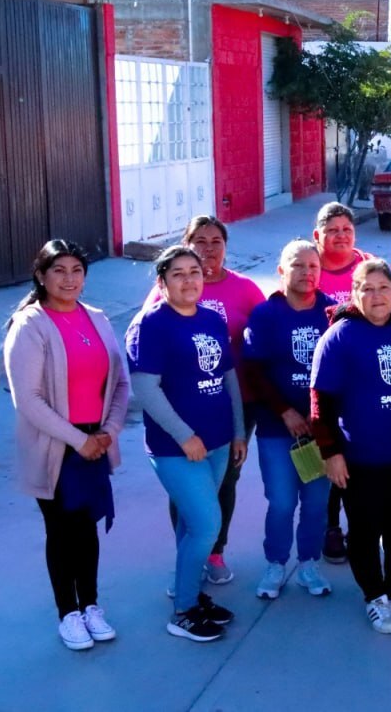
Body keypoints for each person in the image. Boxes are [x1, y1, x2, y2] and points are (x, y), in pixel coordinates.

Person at [4, 240, 132, 651]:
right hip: (56, 445)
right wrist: (79, 440)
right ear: (41, 275)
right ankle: (68, 613)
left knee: (87, 526)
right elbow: (28, 400)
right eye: (59, 270)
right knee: (62, 530)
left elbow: (120, 383)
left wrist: (108, 431)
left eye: (77, 269)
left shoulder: (96, 318)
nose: (69, 279)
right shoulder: (30, 325)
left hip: (95, 440)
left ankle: (91, 605)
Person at [126, 246, 245, 642]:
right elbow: (146, 388)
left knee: (192, 525)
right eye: (177, 274)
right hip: (175, 448)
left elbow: (228, 378)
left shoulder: (211, 319)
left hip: (218, 441)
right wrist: (184, 436)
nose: (189, 280)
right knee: (207, 523)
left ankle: (186, 589)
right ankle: (183, 613)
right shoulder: (152, 325)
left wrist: (239, 431)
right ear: (162, 283)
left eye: (194, 271)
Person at [143, 215, 264, 586]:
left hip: (235, 402)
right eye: (200, 240)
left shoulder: (244, 289)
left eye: (216, 241)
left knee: (225, 481)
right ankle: (187, 564)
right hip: (181, 407)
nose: (209, 248)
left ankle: (214, 551)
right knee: (188, 490)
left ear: (226, 247)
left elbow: (267, 332)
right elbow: (147, 349)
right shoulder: (166, 296)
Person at [310, 259, 391, 635]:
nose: (376, 296)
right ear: (354, 294)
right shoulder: (340, 337)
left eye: (383, 288)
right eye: (367, 289)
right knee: (364, 530)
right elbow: (320, 402)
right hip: (360, 458)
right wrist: (331, 453)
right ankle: (374, 596)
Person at [242, 241, 335, 601]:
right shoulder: (267, 314)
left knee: (315, 501)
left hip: (319, 430)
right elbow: (254, 369)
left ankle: (308, 563)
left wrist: (321, 418)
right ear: (281, 270)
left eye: (313, 265)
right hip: (276, 428)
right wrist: (284, 410)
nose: (307, 272)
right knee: (281, 501)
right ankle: (276, 562)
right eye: (298, 265)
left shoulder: (331, 312)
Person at [312, 202, 372, 564]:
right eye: (333, 230)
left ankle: (359, 527)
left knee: (358, 457)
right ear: (318, 235)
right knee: (328, 454)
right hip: (324, 377)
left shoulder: (365, 265)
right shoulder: (310, 266)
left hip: (361, 380)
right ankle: (330, 527)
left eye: (346, 229)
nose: (341, 236)